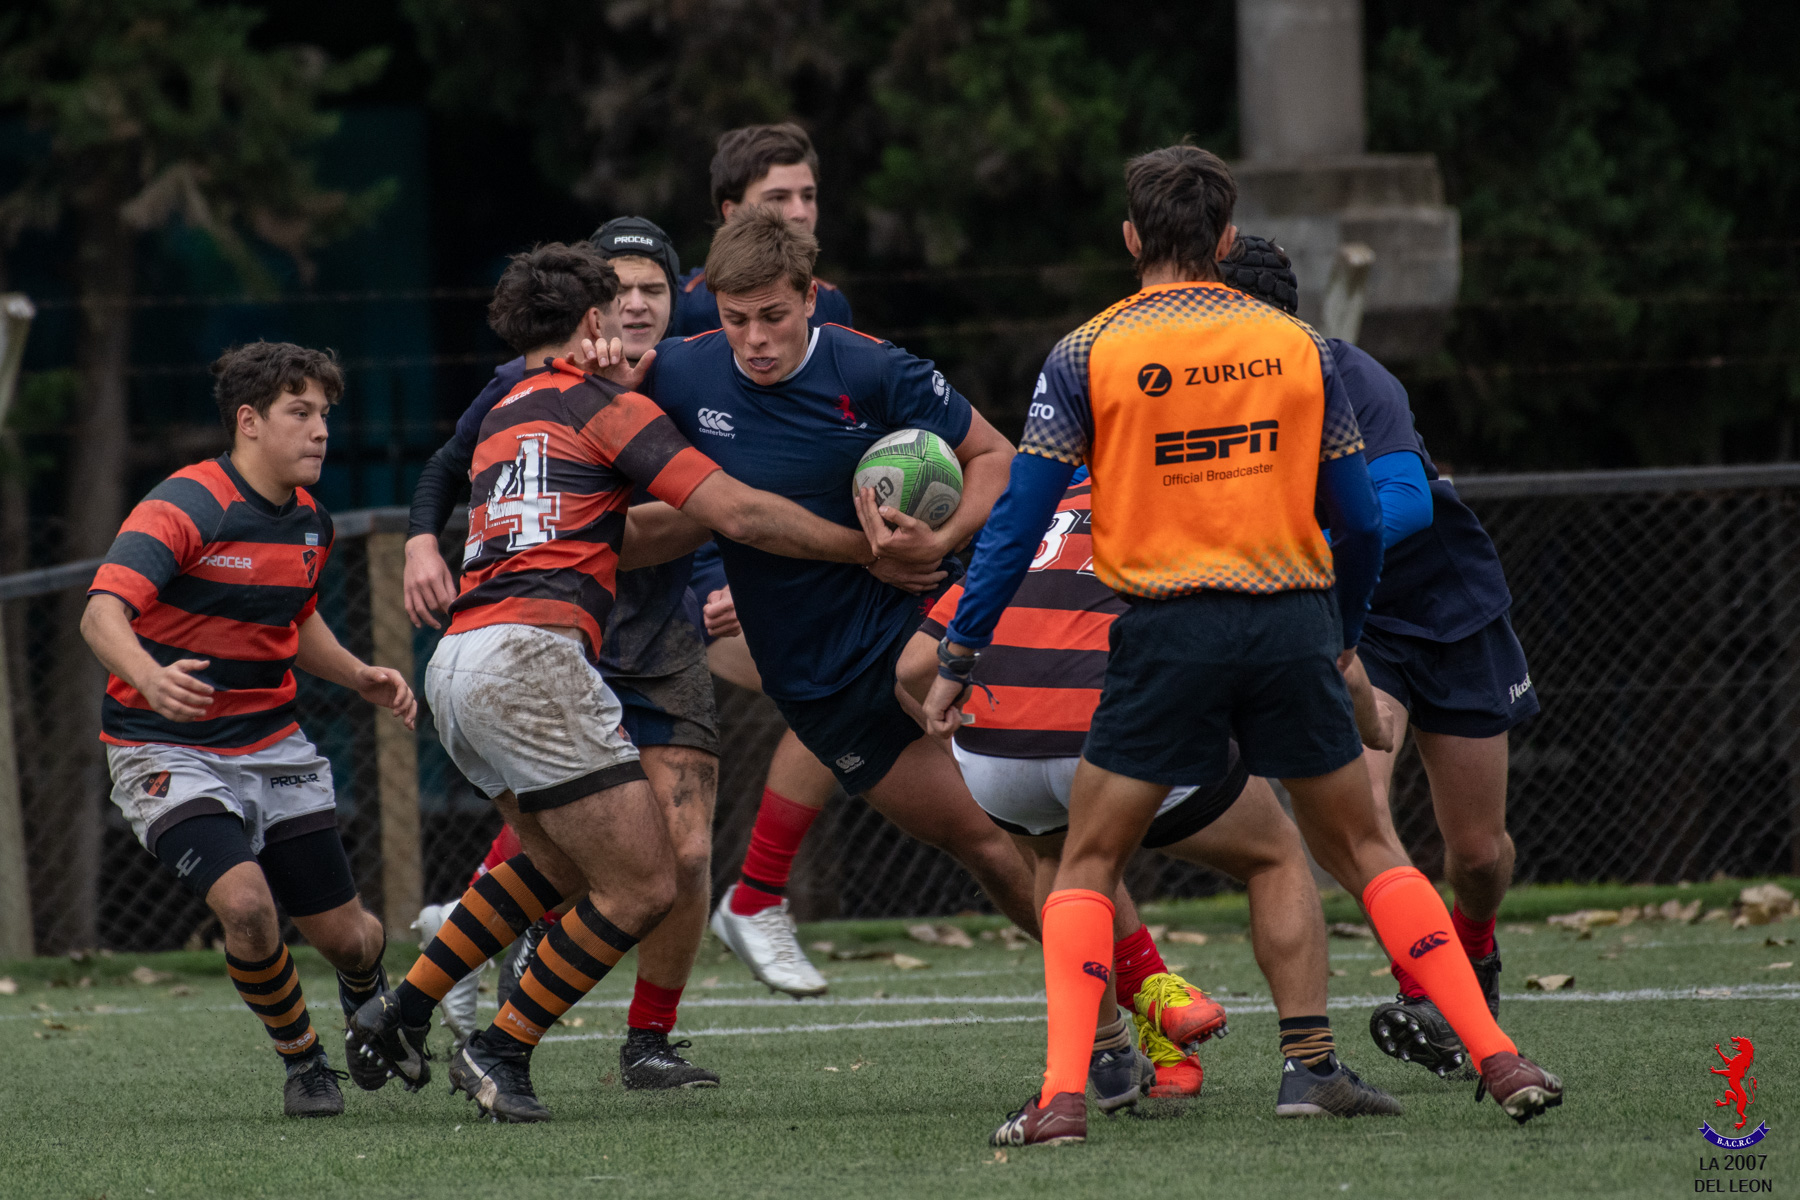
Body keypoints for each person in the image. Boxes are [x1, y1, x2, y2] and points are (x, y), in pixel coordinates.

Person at [920, 145, 1562, 1146]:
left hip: (1164, 633)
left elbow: (1016, 524)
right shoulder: (1299, 346)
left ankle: (1060, 1102)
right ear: (1226, 239)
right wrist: (1340, 634)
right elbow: (1356, 516)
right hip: (1290, 621)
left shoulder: (1085, 353)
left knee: (1086, 859)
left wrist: (962, 652)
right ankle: (1495, 1052)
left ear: (1132, 237)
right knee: (1366, 848)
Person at [349, 241, 886, 1123]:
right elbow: (734, 513)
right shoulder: (598, 404)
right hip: (531, 657)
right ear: (593, 322)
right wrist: (860, 547)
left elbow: (622, 537)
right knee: (643, 884)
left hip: (460, 663)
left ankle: (398, 1010)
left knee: (559, 863)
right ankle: (499, 1051)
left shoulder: (504, 413)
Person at [896, 469, 1401, 1118]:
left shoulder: (1031, 508)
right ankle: (1310, 1064)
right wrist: (1370, 723)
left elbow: (911, 667)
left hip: (996, 755)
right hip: (1108, 742)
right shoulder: (1189, 500)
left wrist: (957, 738)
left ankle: (1106, 1057)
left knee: (1059, 865)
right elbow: (1317, 648)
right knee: (1273, 853)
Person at [646, 207, 1044, 942]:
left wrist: (941, 540)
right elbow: (589, 406)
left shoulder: (872, 368)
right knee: (982, 844)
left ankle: (1144, 998)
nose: (756, 339)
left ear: (807, 297)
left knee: (1038, 822)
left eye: (773, 315)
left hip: (916, 617)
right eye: (737, 319)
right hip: (815, 674)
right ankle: (1113, 1011)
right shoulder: (678, 370)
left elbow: (998, 457)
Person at [403, 216, 729, 1089]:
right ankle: (488, 1014)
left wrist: (715, 575)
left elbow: (725, 487)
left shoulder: (704, 368)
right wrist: (419, 543)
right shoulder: (531, 384)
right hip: (546, 637)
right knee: (582, 856)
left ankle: (646, 1040)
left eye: (652, 290)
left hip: (654, 634)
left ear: (676, 298)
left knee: (684, 853)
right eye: (617, 292)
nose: (634, 307)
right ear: (589, 308)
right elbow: (447, 466)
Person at [1216, 236, 1539, 1078]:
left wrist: (1296, 557)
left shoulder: (1350, 376)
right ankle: (1427, 993)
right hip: (1361, 628)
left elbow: (1401, 506)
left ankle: (1476, 946)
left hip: (1449, 607)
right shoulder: (1202, 393)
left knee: (1477, 852)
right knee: (1361, 811)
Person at [81, 341, 418, 1118]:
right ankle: (305, 1063)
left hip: (273, 747)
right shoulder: (186, 505)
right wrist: (150, 675)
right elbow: (101, 612)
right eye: (300, 413)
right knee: (246, 906)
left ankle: (366, 999)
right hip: (160, 746)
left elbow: (293, 622)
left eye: (325, 415)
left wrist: (358, 673)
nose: (321, 431)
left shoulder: (311, 522)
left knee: (351, 938)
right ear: (249, 422)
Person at [669, 122, 853, 337]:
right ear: (732, 212)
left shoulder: (831, 302)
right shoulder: (682, 303)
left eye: (808, 196)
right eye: (778, 198)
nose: (800, 212)